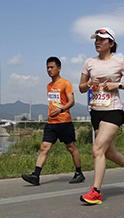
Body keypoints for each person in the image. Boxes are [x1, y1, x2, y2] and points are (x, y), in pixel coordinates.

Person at [77, 27, 124, 204]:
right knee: (110, 153)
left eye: (101, 39)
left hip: (113, 111)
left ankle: (96, 192)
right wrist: (89, 83)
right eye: (96, 39)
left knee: (97, 150)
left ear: (111, 43)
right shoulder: (89, 62)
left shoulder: (119, 62)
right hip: (96, 112)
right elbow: (81, 88)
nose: (97, 42)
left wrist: (117, 85)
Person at [21, 57, 86, 186]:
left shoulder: (65, 83)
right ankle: (35, 176)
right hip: (51, 123)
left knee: (71, 148)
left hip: (64, 122)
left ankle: (79, 173)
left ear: (59, 68)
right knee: (44, 148)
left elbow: (71, 102)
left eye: (52, 67)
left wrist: (60, 110)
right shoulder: (49, 85)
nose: (49, 70)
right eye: (48, 68)